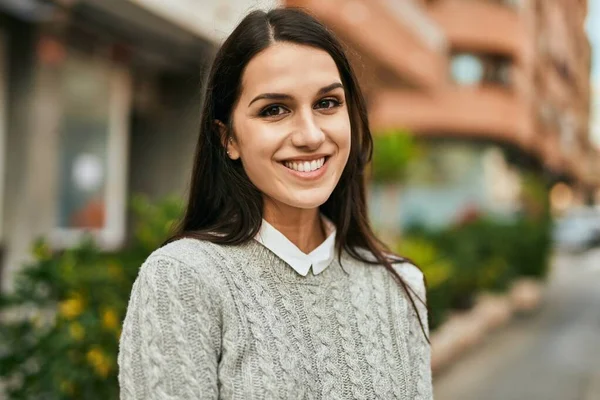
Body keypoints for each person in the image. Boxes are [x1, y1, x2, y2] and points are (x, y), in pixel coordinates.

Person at [118, 7, 432, 400]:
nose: (310, 135)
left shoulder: (400, 285)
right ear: (227, 138)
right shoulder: (183, 279)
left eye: (327, 103)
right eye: (274, 110)